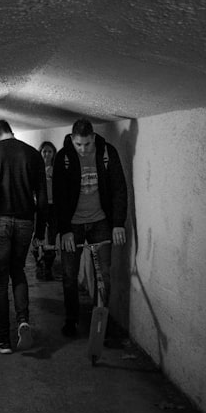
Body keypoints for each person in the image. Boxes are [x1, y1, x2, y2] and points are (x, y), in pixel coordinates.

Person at [51, 118, 128, 340]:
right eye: (78, 144)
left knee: (103, 274)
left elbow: (119, 189)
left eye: (86, 144)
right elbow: (59, 196)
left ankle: (100, 320)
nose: (83, 149)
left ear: (93, 138)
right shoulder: (64, 157)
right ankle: (71, 319)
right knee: (69, 274)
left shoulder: (107, 153)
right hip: (73, 224)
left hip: (100, 221)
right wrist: (64, 229)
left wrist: (117, 224)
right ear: (72, 140)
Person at [0, 120, 47, 353]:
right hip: (26, 221)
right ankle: (23, 320)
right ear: (11, 132)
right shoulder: (33, 154)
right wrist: (41, 231)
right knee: (18, 272)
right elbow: (43, 197)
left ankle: (3, 339)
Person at [31, 141, 58, 281]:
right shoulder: (36, 169)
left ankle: (48, 266)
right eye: (44, 151)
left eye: (49, 152)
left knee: (52, 237)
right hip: (39, 206)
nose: (47, 154)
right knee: (37, 234)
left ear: (54, 154)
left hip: (53, 206)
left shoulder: (56, 170)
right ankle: (38, 261)